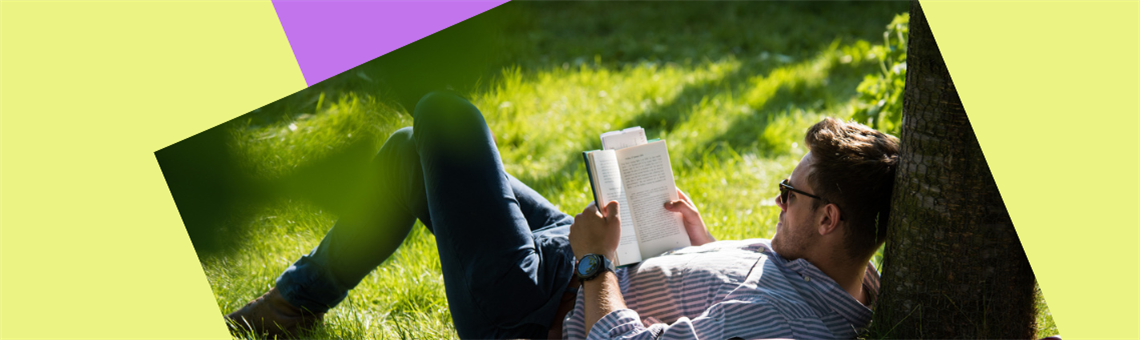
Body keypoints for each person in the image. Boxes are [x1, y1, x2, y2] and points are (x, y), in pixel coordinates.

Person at [226, 91, 900, 340]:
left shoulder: (792, 326)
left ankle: (294, 301)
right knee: (411, 154)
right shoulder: (845, 279)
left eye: (792, 192)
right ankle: (296, 303)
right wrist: (702, 243)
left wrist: (596, 259)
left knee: (444, 118)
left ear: (830, 219)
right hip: (575, 264)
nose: (778, 199)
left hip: (530, 307)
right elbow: (738, 296)